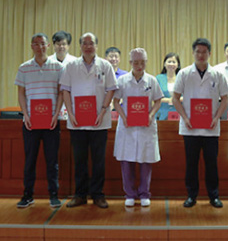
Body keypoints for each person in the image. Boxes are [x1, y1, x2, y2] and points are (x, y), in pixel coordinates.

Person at [59, 32, 117, 209]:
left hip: (100, 120)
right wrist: (70, 113)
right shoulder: (71, 66)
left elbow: (111, 89)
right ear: (80, 46)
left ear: (96, 46)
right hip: (77, 121)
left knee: (99, 160)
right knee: (80, 160)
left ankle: (98, 195)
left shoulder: (105, 65)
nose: (88, 46)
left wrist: (103, 110)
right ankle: (80, 195)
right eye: (84, 43)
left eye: (91, 43)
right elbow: (65, 90)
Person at [172, 38, 228, 208]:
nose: (201, 55)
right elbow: (175, 98)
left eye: (204, 52)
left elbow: (225, 99)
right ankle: (191, 195)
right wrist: (185, 117)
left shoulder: (218, 75)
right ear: (193, 53)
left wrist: (217, 117)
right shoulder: (184, 73)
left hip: (211, 127)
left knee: (212, 163)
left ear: (209, 53)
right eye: (198, 51)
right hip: (190, 127)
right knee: (191, 163)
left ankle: (214, 196)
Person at [15, 33, 63, 209]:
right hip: (30, 123)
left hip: (52, 122)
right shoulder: (24, 68)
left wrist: (56, 114)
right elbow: (21, 93)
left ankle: (54, 195)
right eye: (36, 44)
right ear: (31, 46)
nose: (39, 47)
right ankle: (27, 195)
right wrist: (26, 115)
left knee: (52, 161)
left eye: (42, 43)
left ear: (48, 46)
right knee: (30, 161)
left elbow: (61, 93)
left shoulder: (58, 67)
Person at [112, 48, 164, 207]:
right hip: (127, 126)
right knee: (126, 161)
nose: (139, 66)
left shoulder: (151, 80)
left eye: (142, 62)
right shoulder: (122, 80)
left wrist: (151, 115)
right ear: (130, 63)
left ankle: (144, 193)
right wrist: (123, 117)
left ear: (146, 62)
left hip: (145, 127)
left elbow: (158, 100)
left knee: (145, 161)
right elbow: (116, 102)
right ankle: (129, 194)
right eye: (136, 63)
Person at [49, 30, 77, 120]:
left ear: (68, 45)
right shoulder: (47, 62)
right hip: (52, 101)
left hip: (70, 102)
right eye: (58, 44)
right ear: (53, 45)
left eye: (64, 44)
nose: (61, 47)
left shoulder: (75, 62)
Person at [155, 52, 181, 120]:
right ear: (164, 64)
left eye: (174, 62)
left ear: (178, 64)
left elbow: (187, 95)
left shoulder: (181, 78)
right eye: (169, 62)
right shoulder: (158, 78)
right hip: (162, 113)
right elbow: (155, 97)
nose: (171, 64)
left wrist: (175, 100)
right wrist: (169, 100)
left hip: (179, 113)